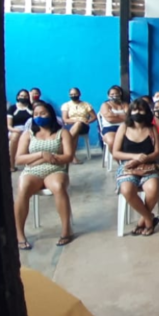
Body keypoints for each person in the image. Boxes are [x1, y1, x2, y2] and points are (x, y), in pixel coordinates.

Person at [14, 102, 75, 249]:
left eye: (43, 113)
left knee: (59, 187)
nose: (39, 117)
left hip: (56, 168)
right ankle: (19, 234)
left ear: (51, 115)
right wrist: (41, 155)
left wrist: (46, 159)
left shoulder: (63, 133)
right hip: (32, 171)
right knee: (23, 187)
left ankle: (66, 230)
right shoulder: (28, 134)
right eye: (36, 114)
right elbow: (19, 159)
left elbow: (68, 156)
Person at [113, 99, 159, 236]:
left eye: (141, 110)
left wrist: (146, 158)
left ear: (147, 112)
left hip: (149, 166)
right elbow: (116, 152)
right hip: (128, 166)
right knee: (127, 189)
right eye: (135, 110)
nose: (138, 113)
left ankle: (142, 221)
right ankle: (149, 219)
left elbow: (157, 152)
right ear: (130, 112)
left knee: (153, 188)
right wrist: (135, 157)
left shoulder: (152, 129)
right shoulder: (123, 127)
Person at [61, 87, 96, 164]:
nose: (73, 95)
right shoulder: (66, 105)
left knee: (78, 124)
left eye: (75, 94)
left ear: (79, 94)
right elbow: (65, 119)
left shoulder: (86, 104)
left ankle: (64, 145)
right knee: (75, 131)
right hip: (69, 125)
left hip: (83, 126)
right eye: (71, 94)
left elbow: (94, 117)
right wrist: (77, 120)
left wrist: (88, 121)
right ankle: (73, 157)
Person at [8, 89, 33, 170]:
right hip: (15, 130)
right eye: (21, 96)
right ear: (18, 97)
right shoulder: (12, 108)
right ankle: (12, 164)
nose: (23, 97)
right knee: (15, 137)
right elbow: (9, 126)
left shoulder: (31, 107)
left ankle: (30, 163)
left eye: (26, 96)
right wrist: (15, 130)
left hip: (30, 130)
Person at [99, 85, 128, 154]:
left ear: (120, 94)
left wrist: (115, 115)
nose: (114, 95)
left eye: (116, 94)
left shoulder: (125, 104)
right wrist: (123, 116)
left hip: (125, 127)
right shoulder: (105, 105)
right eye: (112, 94)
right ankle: (120, 161)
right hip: (109, 128)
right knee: (112, 141)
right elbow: (110, 120)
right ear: (108, 95)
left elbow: (129, 117)